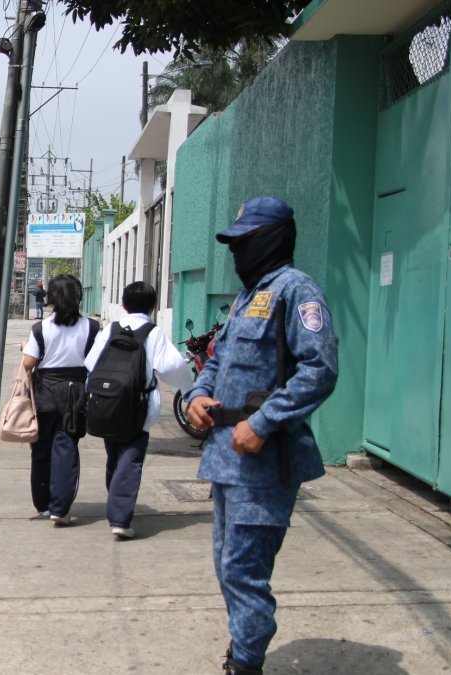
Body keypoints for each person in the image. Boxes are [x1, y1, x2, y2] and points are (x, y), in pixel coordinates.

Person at [184, 196, 339, 675]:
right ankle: (243, 650)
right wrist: (198, 395)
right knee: (228, 566)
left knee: (244, 571)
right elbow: (217, 360)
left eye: (245, 242)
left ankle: (246, 663)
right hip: (225, 458)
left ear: (271, 239)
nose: (237, 252)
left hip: (265, 461)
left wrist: (264, 422)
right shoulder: (246, 297)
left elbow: (319, 369)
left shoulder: (297, 291)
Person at [84, 281, 190, 540]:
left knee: (115, 455)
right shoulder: (154, 333)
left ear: (123, 304)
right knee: (130, 459)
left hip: (108, 402)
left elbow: (91, 362)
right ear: (153, 306)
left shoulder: (110, 329)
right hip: (139, 407)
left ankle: (116, 502)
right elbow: (172, 367)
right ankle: (120, 517)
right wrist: (189, 390)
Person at [20, 274, 99, 524]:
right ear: (78, 297)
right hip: (75, 393)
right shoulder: (92, 327)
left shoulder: (41, 328)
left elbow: (28, 363)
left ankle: (43, 504)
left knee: (41, 449)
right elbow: (96, 361)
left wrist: (25, 347)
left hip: (45, 393)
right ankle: (60, 508)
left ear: (52, 298)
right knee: (66, 450)